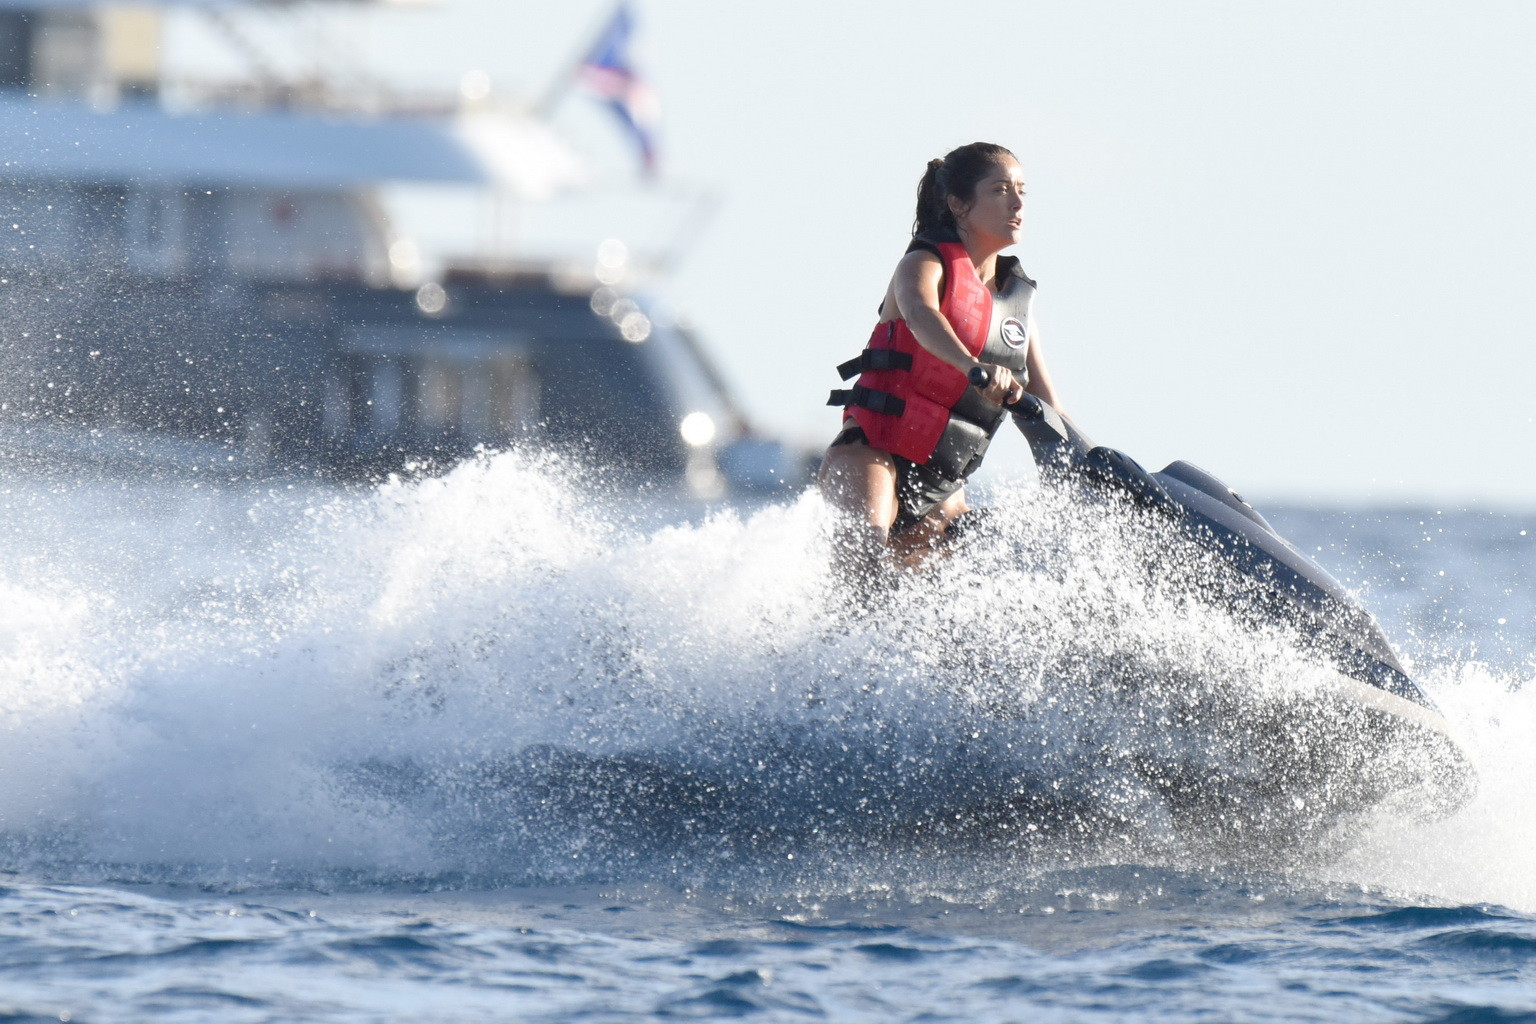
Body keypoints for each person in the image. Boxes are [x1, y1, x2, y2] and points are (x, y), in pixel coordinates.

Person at [819, 142, 1066, 574]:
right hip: (873, 457)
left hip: (943, 489)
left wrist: (1086, 467)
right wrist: (973, 367)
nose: (1017, 202)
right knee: (864, 585)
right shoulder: (923, 262)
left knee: (949, 601)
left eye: (1022, 190)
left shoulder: (1017, 305)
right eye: (1000, 190)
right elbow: (921, 315)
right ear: (959, 204)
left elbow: (1051, 407)